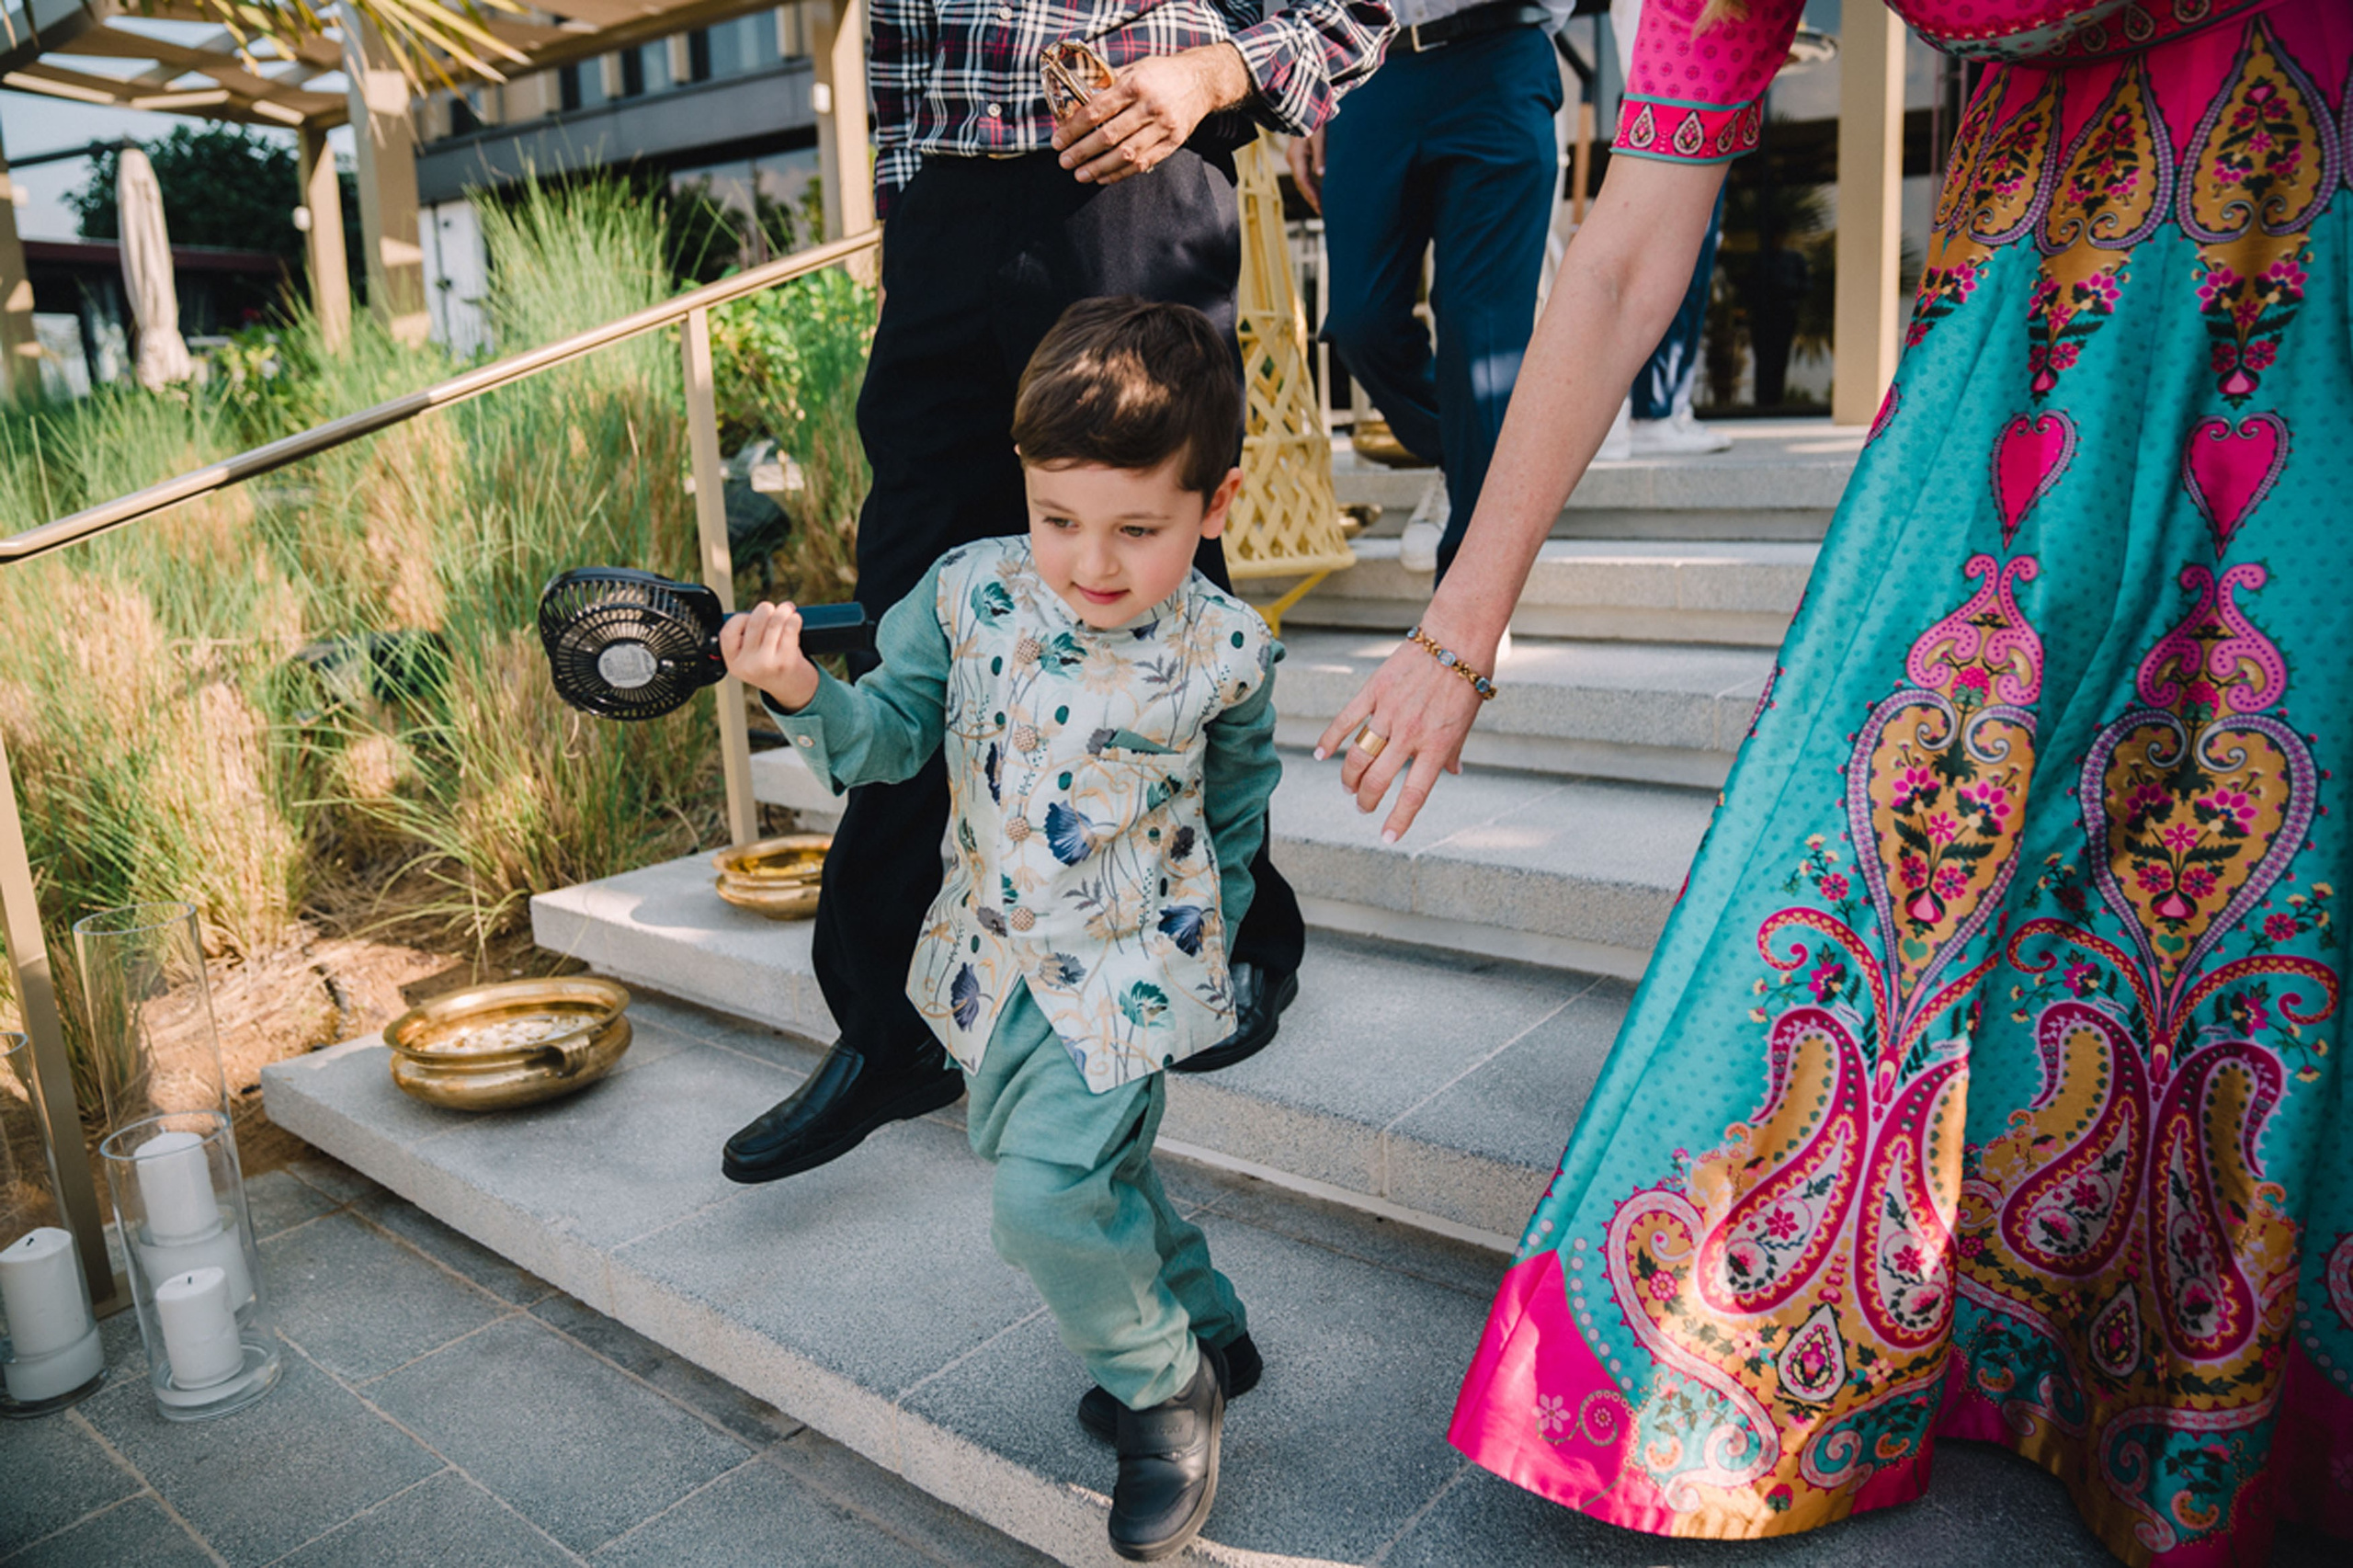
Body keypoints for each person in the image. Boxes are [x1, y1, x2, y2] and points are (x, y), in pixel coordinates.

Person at [1315, 0, 2353, 1560]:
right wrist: (1462, 622)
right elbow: (1619, 255)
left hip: (2313, 240)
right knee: (1892, 808)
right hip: (2029, 322)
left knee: (2259, 832)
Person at [720, 0, 1395, 1188]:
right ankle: (893, 1022)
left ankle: (1233, 937)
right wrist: (911, 206)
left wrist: (1214, 72)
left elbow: (1354, 13)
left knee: (1154, 578)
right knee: (909, 594)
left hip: (1128, 186)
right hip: (944, 208)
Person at [722, 300, 1279, 1562]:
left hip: (1135, 974)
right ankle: (1213, 1320)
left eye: (1138, 529)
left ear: (1216, 500)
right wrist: (803, 691)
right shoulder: (965, 594)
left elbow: (1238, 802)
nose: (1091, 560)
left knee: (1043, 1199)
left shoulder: (1231, 650)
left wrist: (1217, 930)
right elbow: (891, 741)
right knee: (1101, 1171)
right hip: (993, 965)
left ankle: (1164, 1384)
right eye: (1057, 517)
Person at [1290, 0, 1569, 576]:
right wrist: (1311, 94)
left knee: (1482, 334)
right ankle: (1463, 454)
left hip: (1498, 53)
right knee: (1358, 323)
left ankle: (1469, 591)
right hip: (1368, 72)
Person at [1610, 0, 1730, 455]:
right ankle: (1655, 410)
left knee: (1687, 268)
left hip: (1685, 105)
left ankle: (1664, 407)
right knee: (1675, 270)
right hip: (1676, 108)